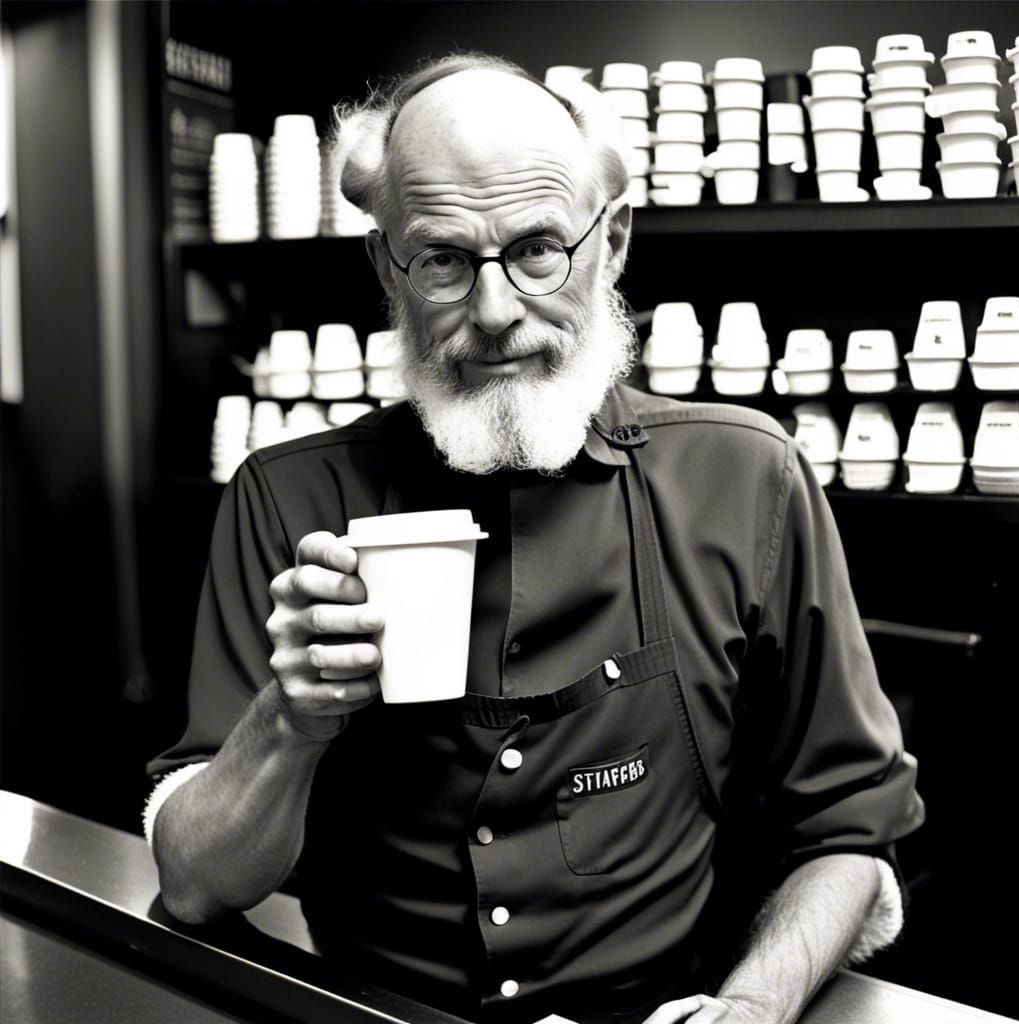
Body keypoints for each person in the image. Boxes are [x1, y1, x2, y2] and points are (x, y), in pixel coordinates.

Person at [147, 53, 925, 1024]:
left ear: (613, 241)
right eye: (442, 257)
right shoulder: (285, 493)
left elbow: (851, 831)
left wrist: (753, 1005)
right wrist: (289, 720)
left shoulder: (745, 475)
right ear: (384, 265)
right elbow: (193, 884)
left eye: (537, 250)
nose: (494, 311)